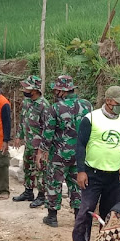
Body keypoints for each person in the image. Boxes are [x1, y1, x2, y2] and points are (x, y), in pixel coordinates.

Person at [72, 85, 120, 241]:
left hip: (115, 176)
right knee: (86, 210)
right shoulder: (91, 119)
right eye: (118, 103)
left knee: (110, 214)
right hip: (92, 173)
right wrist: (81, 171)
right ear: (108, 101)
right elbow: (80, 146)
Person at [38, 75, 92, 227]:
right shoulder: (87, 105)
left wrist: (42, 152)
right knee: (77, 184)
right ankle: (78, 217)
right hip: (81, 154)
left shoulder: (54, 108)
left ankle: (52, 217)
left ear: (62, 91)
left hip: (59, 155)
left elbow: (48, 134)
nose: (54, 92)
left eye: (56, 89)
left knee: (54, 183)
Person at [13, 75, 48, 207]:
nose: (24, 90)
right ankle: (28, 192)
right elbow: (23, 120)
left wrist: (43, 148)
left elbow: (47, 128)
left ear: (35, 89)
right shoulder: (27, 102)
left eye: (27, 87)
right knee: (28, 168)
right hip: (28, 143)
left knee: (40, 170)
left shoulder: (44, 105)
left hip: (39, 146)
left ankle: (41, 196)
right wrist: (18, 136)